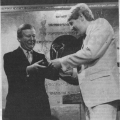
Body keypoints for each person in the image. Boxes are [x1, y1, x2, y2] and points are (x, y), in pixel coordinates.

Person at [50, 3, 120, 120]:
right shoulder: (86, 38)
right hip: (91, 100)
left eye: (71, 23)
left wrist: (61, 61)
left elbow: (91, 53)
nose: (71, 28)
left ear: (82, 17)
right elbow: (90, 70)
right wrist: (71, 73)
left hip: (103, 96)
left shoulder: (101, 24)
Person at [3, 24, 58, 120]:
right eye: (28, 36)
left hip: (40, 109)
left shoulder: (40, 57)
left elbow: (53, 76)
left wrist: (57, 62)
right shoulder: (9, 57)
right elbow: (12, 76)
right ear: (19, 38)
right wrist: (28, 69)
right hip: (18, 109)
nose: (32, 39)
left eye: (33, 36)